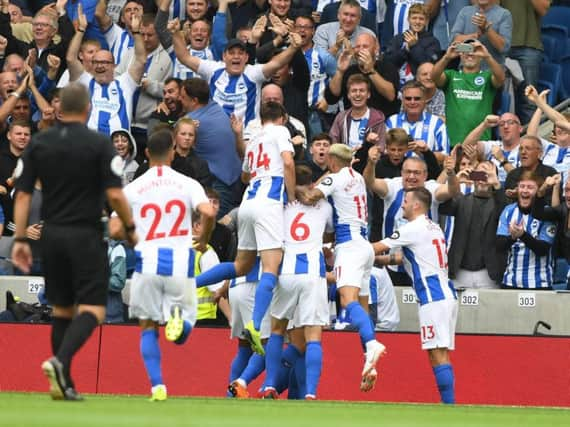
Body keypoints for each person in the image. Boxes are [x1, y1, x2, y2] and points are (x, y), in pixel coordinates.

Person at [11, 82, 138, 401]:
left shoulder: (38, 144)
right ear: (88, 110)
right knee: (93, 311)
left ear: (57, 110)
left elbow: (23, 193)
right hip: (85, 233)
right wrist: (131, 225)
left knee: (63, 310)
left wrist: (21, 238)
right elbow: (113, 193)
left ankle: (64, 383)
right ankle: (60, 361)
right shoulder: (98, 144)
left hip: (50, 234)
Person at [109, 128, 216, 401]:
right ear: (172, 151)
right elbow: (207, 211)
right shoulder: (188, 183)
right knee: (183, 329)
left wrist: (133, 234)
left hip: (147, 262)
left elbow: (113, 228)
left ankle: (157, 386)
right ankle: (179, 321)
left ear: (146, 153)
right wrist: (203, 238)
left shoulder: (132, 187)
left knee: (147, 326)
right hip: (180, 261)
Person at [195, 101, 296, 355]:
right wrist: (292, 198)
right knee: (271, 265)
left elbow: (244, 176)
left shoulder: (255, 139)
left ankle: (189, 283)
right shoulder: (280, 132)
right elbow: (288, 163)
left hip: (248, 202)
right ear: (282, 118)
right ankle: (254, 322)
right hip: (269, 202)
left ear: (261, 119)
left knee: (241, 266)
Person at [296, 143, 386, 392]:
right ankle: (369, 359)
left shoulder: (333, 179)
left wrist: (292, 187)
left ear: (334, 162)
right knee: (363, 310)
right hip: (365, 245)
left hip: (349, 246)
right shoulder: (356, 177)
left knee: (347, 300)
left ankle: (372, 345)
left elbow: (311, 196)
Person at [372, 187, 458, 404]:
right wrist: (381, 261)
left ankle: (449, 406)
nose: (402, 204)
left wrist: (346, 251)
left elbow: (377, 247)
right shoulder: (433, 226)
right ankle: (449, 403)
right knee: (439, 351)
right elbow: (410, 257)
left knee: (437, 352)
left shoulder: (412, 228)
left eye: (406, 201)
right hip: (445, 293)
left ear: (416, 205)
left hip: (432, 296)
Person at [263, 164, 333, 400]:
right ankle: (311, 393)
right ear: (313, 183)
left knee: (277, 330)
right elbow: (330, 232)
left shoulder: (281, 207)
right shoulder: (324, 206)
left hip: (287, 273)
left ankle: (270, 384)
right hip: (313, 273)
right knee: (313, 335)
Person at [67, 6, 146, 135]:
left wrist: (136, 33)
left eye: (105, 62)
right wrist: (81, 30)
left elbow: (141, 60)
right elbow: (71, 59)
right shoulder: (85, 81)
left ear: (114, 66)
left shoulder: (125, 83)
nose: (100, 66)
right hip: (89, 146)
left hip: (118, 147)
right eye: (96, 62)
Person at [439, 161, 507, 288]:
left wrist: (496, 184)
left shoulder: (499, 202)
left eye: (486, 175)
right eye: (479, 175)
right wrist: (455, 180)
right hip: (460, 271)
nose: (482, 180)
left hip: (489, 272)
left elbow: (506, 214)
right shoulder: (461, 200)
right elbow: (443, 207)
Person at [431, 39, 505, 147]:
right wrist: (446, 57)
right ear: (460, 55)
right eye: (466, 50)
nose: (470, 54)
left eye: (474, 50)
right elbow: (434, 77)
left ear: (480, 56)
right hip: (453, 142)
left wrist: (487, 56)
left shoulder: (487, 76)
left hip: (480, 143)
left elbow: (501, 78)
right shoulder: (451, 76)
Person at [497, 171, 556, 289]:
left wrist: (522, 235)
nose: (525, 190)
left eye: (530, 187)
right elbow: (499, 246)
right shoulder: (508, 211)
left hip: (540, 284)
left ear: (538, 192)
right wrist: (512, 237)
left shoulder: (547, 213)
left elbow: (543, 250)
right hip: (510, 282)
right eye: (522, 186)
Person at [326, 32, 400, 118]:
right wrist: (340, 71)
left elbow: (391, 96)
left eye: (365, 46)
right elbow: (331, 98)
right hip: (354, 122)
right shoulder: (350, 70)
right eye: (357, 47)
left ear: (376, 49)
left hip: (382, 122)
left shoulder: (387, 67)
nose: (360, 50)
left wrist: (370, 70)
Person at [385, 80, 449, 162]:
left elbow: (445, 157)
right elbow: (385, 151)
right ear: (403, 101)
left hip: (428, 172)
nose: (412, 102)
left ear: (425, 100)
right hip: (396, 172)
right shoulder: (392, 121)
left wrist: (425, 152)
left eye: (417, 99)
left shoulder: (437, 123)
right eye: (408, 99)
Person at [384, 3, 440, 87]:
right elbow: (388, 63)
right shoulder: (398, 39)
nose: (417, 22)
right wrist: (406, 49)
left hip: (420, 86)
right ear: (408, 19)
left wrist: (415, 46)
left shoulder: (433, 42)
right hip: (397, 84)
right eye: (414, 18)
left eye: (421, 19)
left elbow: (428, 66)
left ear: (426, 21)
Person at [450, 0, 512, 68]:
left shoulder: (504, 14)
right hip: (467, 72)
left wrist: (487, 28)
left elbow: (504, 48)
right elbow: (454, 44)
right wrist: (476, 35)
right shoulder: (465, 12)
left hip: (493, 73)